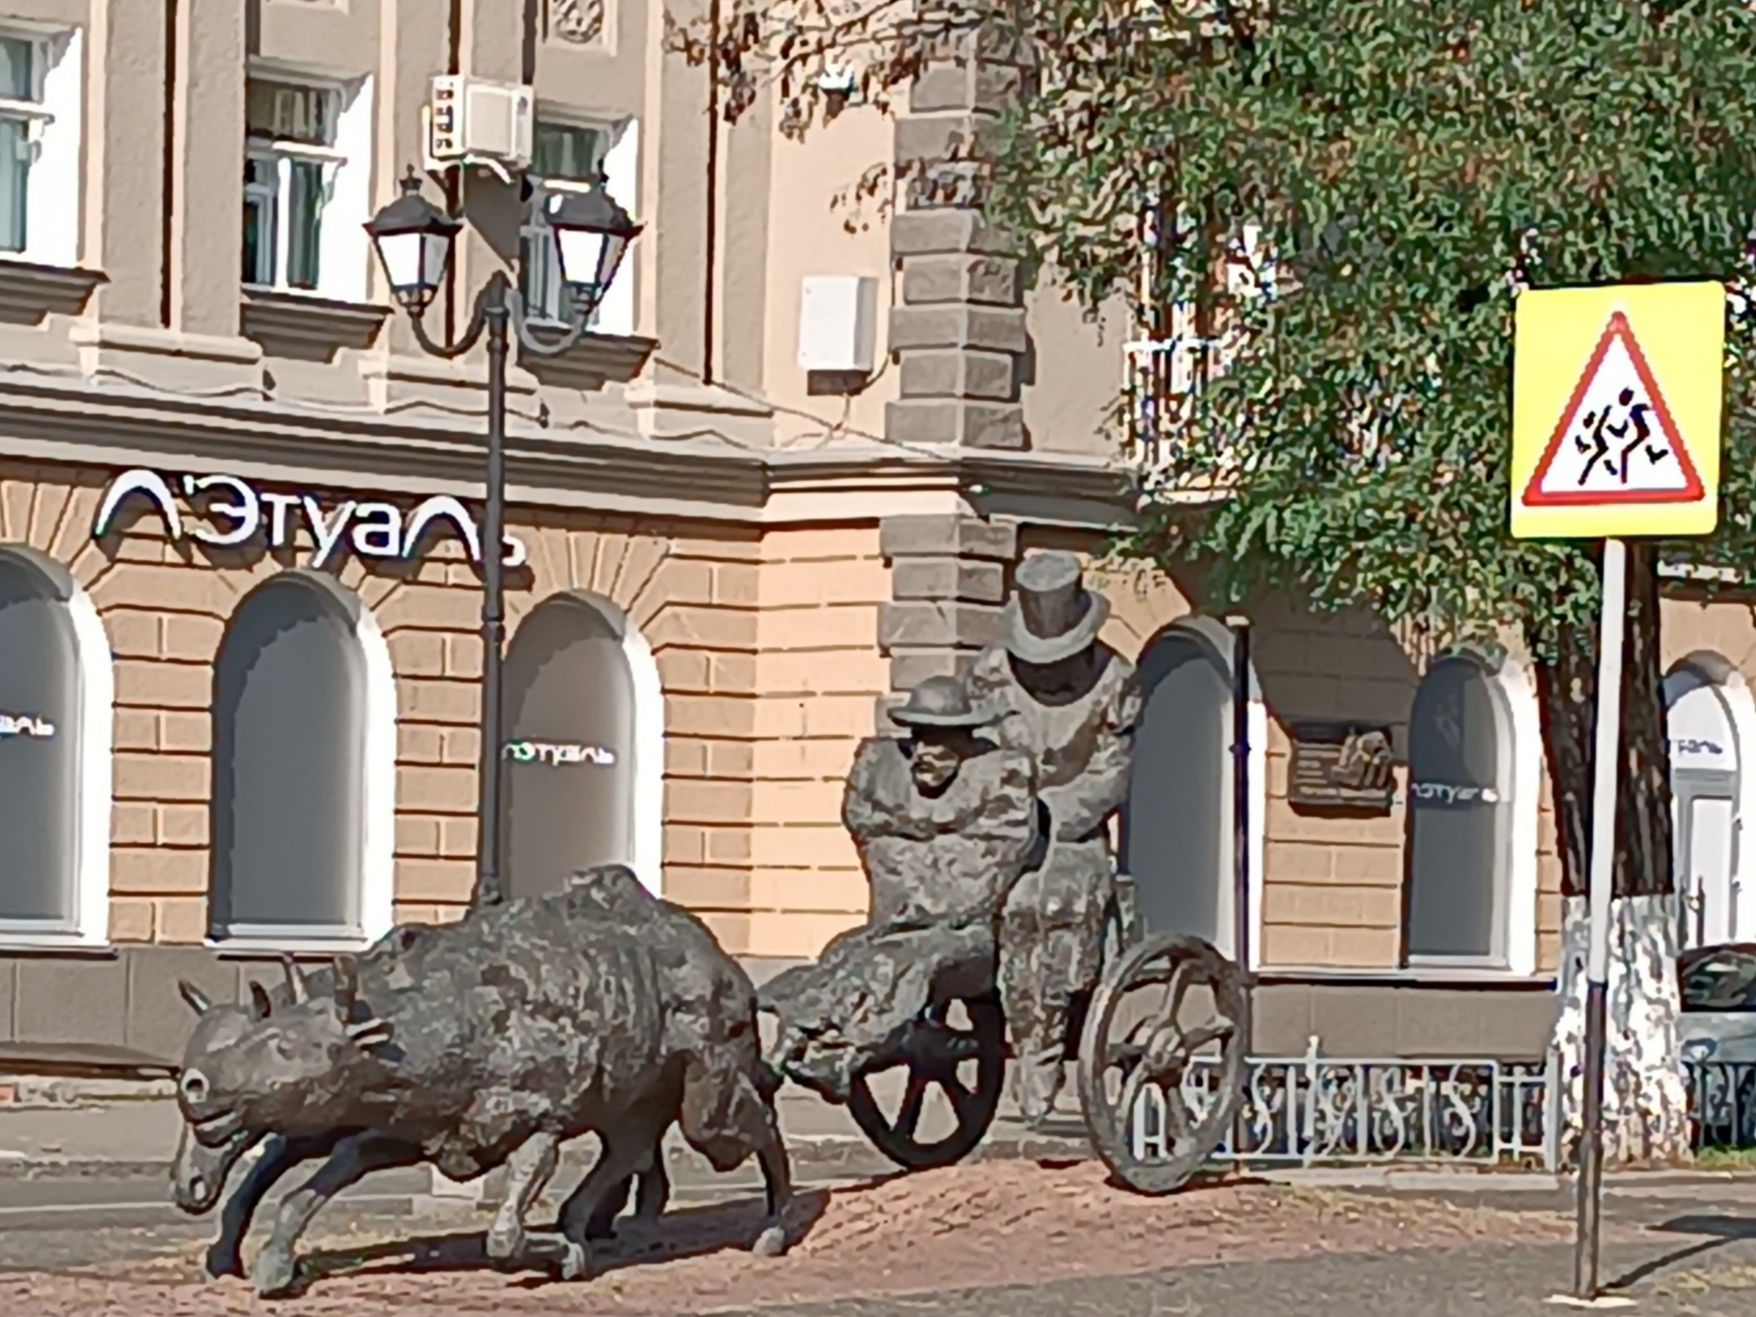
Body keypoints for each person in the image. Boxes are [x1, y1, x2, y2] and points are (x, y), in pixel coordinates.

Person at [760, 675, 1041, 1104]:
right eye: (919, 737)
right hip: (901, 925)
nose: (924, 751)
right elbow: (874, 835)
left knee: (902, 962)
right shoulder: (889, 783)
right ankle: (795, 1040)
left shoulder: (1003, 789)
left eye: (939, 740)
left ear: (964, 741)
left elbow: (982, 874)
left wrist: (921, 876)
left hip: (969, 933)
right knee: (843, 952)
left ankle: (847, 1050)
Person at [966, 550, 1143, 1126]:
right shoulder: (991, 673)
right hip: (998, 827)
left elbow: (1112, 771)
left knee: (1042, 906)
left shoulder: (1115, 680)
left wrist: (1051, 817)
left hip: (1073, 834)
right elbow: (975, 751)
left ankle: (1041, 1049)